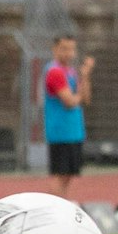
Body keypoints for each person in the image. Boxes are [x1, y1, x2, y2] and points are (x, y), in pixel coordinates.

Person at [42, 35, 92, 197]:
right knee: (60, 175)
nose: (69, 53)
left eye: (72, 49)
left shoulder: (70, 72)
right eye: (64, 49)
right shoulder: (54, 72)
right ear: (55, 49)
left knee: (68, 175)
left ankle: (61, 206)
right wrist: (76, 97)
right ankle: (54, 210)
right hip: (60, 132)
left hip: (73, 131)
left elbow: (85, 98)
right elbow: (69, 101)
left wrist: (85, 75)